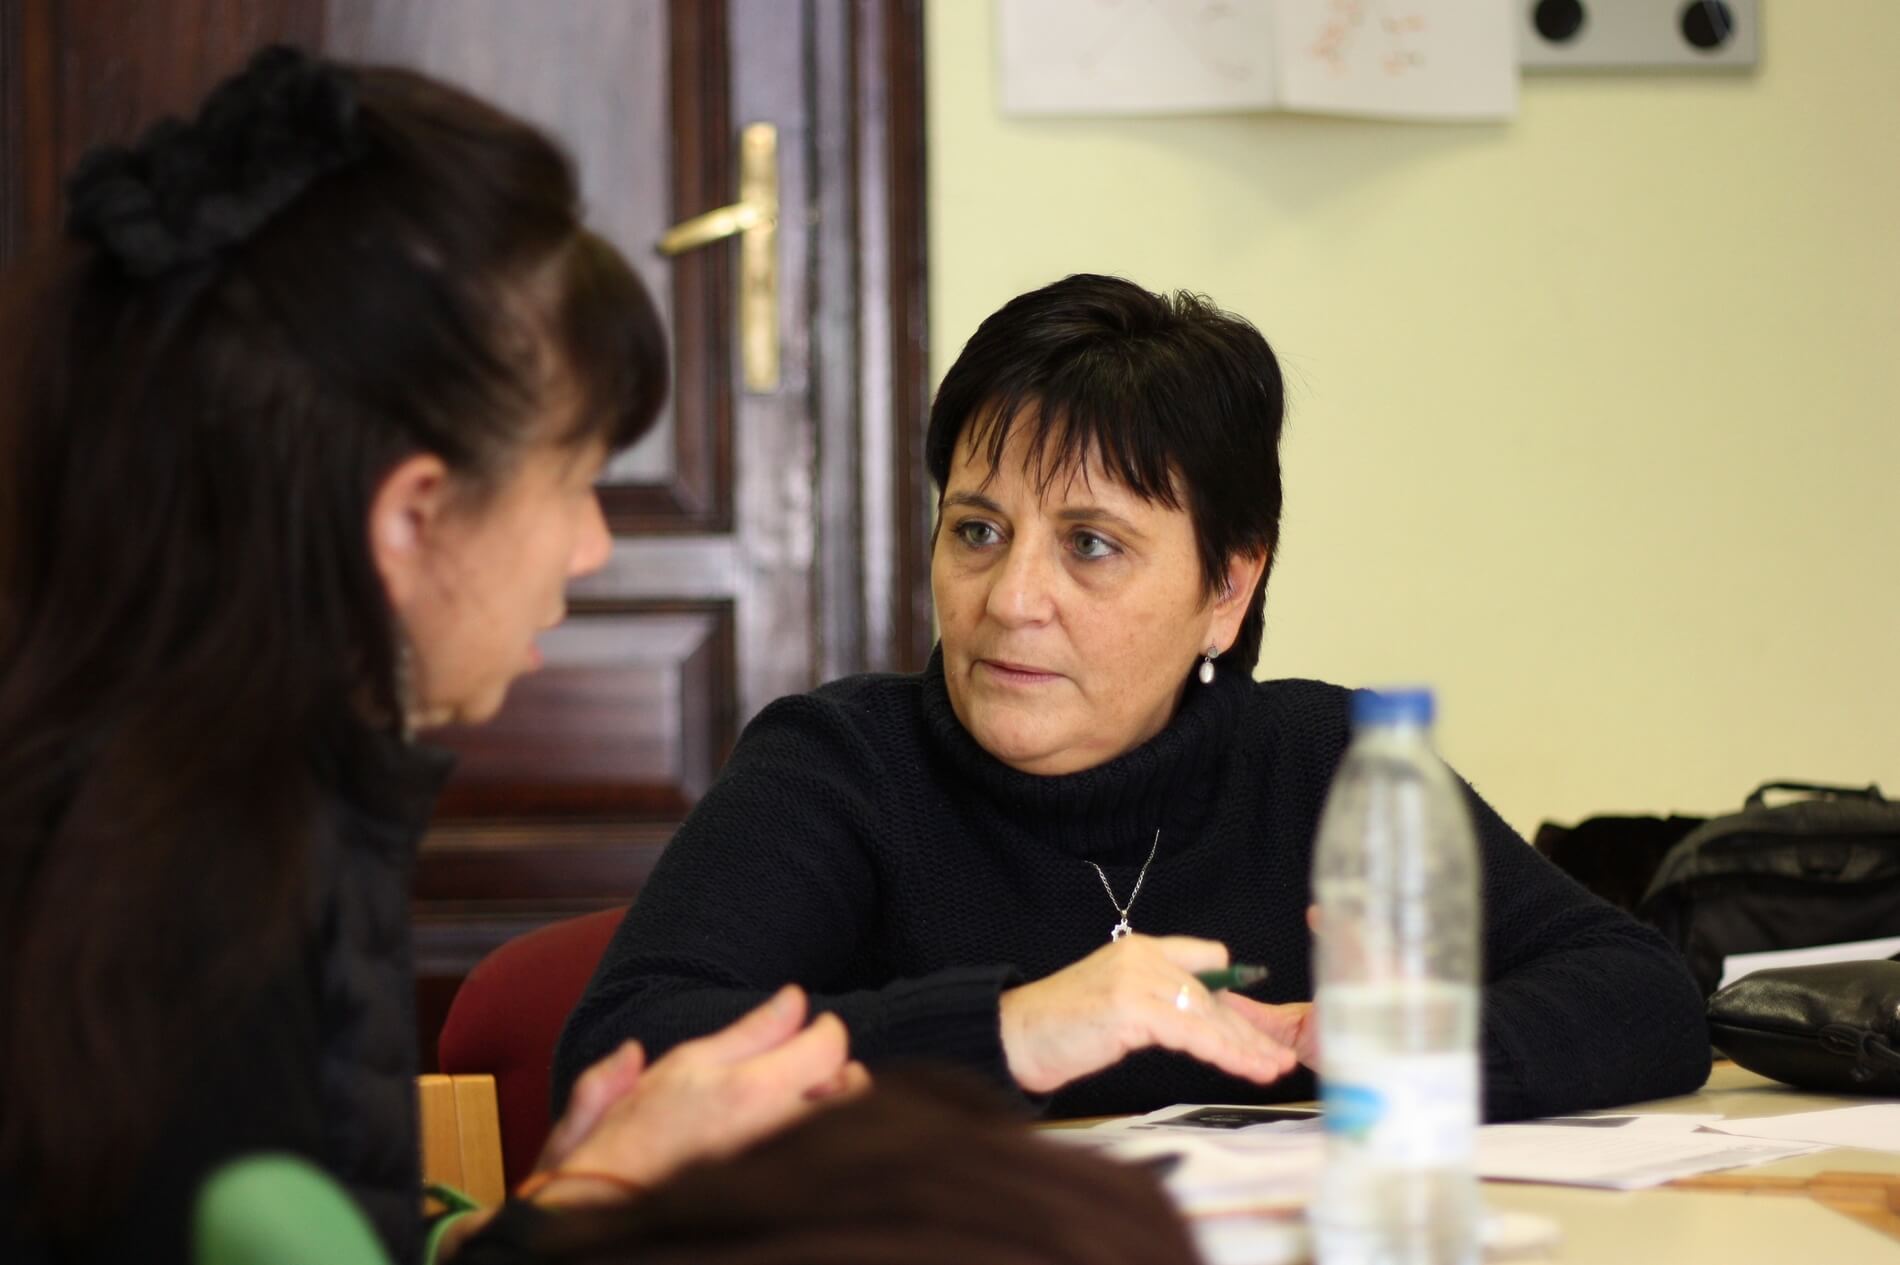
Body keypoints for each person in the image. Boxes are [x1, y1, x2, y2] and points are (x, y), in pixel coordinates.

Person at [0, 47, 871, 1265]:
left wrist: (549, 1206)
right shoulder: (176, 918)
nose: (592, 543)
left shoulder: (216, 796)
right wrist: (599, 1191)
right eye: (573, 479)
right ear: (411, 516)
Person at [557, 273, 1713, 1123]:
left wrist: (1413, 1045)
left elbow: (1646, 993)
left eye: (1091, 544)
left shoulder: (1323, 759)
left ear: (1227, 587)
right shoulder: (842, 765)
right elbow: (620, 1050)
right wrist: (1016, 1029)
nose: (1012, 598)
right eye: (976, 530)